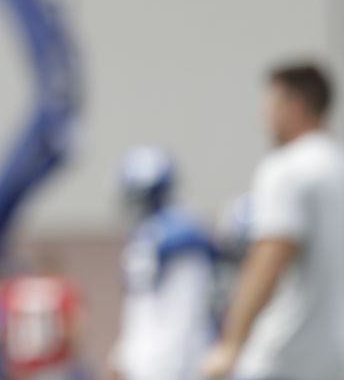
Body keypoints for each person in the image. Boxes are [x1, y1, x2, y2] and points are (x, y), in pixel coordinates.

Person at [203, 62, 344, 380]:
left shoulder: (286, 169)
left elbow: (270, 258)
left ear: (294, 108)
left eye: (270, 106)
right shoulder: (337, 166)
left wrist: (231, 344)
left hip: (285, 356)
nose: (264, 118)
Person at [108, 146, 215, 380]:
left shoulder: (180, 238)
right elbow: (140, 308)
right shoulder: (147, 235)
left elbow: (183, 313)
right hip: (144, 367)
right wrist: (122, 356)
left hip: (170, 368)